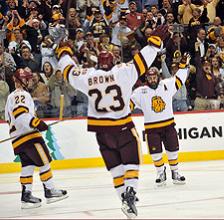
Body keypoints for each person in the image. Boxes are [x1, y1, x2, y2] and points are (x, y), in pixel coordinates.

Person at [57, 25, 168, 218]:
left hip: (101, 132)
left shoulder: (88, 76)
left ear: (98, 64)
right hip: (123, 127)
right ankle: (131, 192)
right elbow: (141, 62)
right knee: (132, 162)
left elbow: (68, 71)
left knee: (116, 169)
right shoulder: (122, 72)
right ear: (113, 60)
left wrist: (65, 51)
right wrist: (154, 44)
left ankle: (123, 199)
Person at [4, 68, 68, 209]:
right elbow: (21, 114)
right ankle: (49, 190)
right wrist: (37, 123)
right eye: (28, 78)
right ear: (23, 80)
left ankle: (26, 195)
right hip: (29, 136)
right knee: (44, 161)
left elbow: (9, 117)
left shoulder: (10, 97)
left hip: (17, 140)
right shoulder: (23, 95)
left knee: (27, 166)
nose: (30, 80)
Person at [131, 54, 190, 186]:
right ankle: (160, 172)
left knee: (173, 150)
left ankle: (175, 172)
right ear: (146, 78)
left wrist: (183, 66)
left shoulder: (167, 85)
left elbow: (180, 79)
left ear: (158, 77)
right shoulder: (140, 92)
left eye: (154, 77)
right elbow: (130, 104)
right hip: (152, 129)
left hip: (168, 125)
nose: (152, 79)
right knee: (155, 152)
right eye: (150, 77)